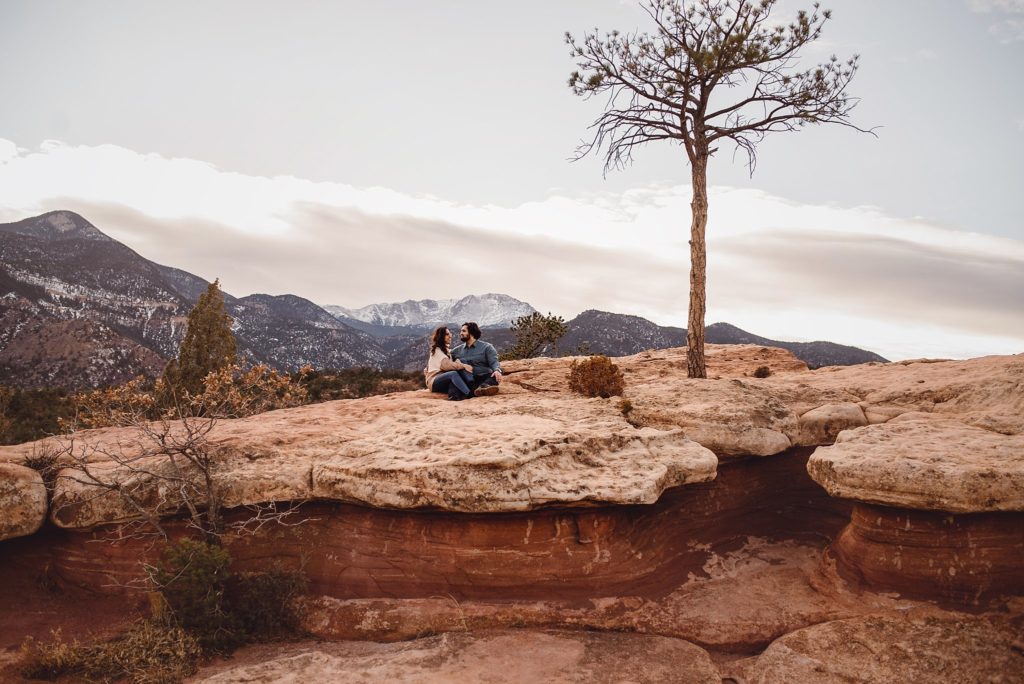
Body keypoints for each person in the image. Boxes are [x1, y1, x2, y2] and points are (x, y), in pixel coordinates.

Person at [450, 321, 502, 397]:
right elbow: (445, 358)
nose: (460, 333)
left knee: (494, 375)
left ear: (471, 332)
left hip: (483, 377)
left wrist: (497, 370)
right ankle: (456, 397)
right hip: (466, 379)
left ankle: (483, 388)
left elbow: (494, 362)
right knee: (454, 380)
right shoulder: (456, 350)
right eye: (461, 331)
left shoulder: (487, 347)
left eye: (463, 331)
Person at [424, 326, 475, 401]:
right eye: (447, 334)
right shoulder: (437, 351)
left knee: (461, 362)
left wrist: (459, 361)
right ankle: (469, 393)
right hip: (434, 381)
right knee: (453, 374)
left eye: (450, 333)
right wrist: (464, 366)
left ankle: (456, 395)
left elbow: (455, 359)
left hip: (444, 379)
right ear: (441, 337)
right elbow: (448, 366)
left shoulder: (446, 350)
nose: (450, 336)